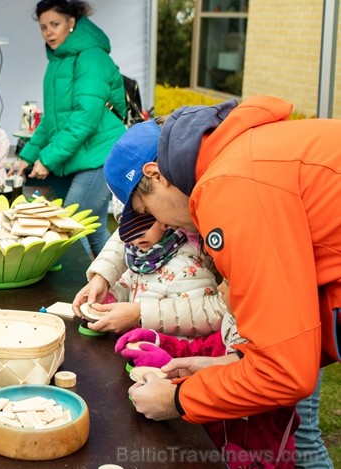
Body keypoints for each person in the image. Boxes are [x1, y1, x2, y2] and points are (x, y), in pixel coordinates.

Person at [103, 97, 340, 466]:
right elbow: (294, 324)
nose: (162, 224)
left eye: (147, 211)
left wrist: (178, 400)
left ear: (155, 175)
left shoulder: (229, 187)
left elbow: (286, 373)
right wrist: (231, 363)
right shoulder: (240, 157)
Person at [117, 281, 299, 469]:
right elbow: (200, 350)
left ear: (253, 295)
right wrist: (158, 341)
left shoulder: (270, 361)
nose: (219, 287)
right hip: (213, 447)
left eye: (228, 283)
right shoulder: (233, 326)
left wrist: (172, 381)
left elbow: (237, 393)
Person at [13, 0, 127, 258]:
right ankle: (114, 289)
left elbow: (84, 118)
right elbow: (52, 121)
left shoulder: (92, 57)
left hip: (99, 155)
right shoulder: (57, 63)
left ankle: (80, 293)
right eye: (43, 27)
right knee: (93, 228)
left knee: (68, 230)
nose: (48, 32)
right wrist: (27, 156)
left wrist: (48, 159)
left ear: (72, 22)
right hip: (82, 156)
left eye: (55, 24)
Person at [72, 206, 225, 336]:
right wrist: (109, 298)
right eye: (126, 225)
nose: (137, 235)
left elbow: (198, 322)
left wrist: (140, 319)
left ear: (166, 219)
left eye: (145, 223)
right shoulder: (140, 253)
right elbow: (130, 281)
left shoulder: (189, 269)